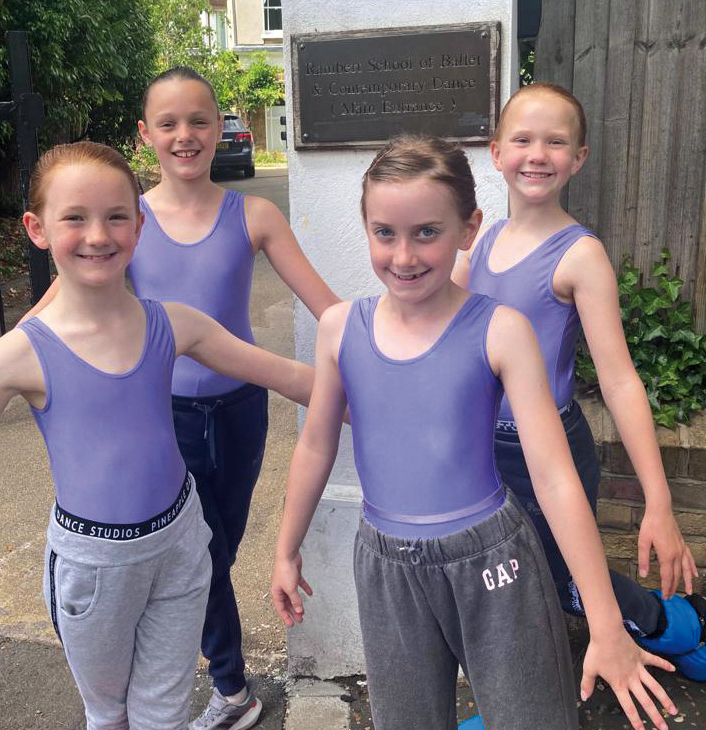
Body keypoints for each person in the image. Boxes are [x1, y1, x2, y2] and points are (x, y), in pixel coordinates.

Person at [0, 66, 340, 730]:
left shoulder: (215, 262)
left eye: (200, 120)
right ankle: (229, 686)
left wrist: (391, 373)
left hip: (214, 463)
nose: (99, 234)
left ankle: (223, 688)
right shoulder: (100, 258)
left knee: (196, 594)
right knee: (123, 687)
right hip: (131, 486)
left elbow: (304, 348)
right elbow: (28, 337)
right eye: (75, 219)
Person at [270, 135, 678, 730]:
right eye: (385, 232)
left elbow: (555, 476)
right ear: (366, 228)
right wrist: (285, 548)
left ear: (468, 228)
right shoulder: (340, 329)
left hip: (493, 559)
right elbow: (315, 444)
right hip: (386, 563)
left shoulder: (501, 330)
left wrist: (605, 621)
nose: (404, 254)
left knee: (531, 717)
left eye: (427, 232)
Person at [453, 82, 705, 687]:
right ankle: (518, 697)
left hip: (548, 448)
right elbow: (442, 329)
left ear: (579, 157)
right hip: (481, 447)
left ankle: (673, 627)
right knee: (501, 576)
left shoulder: (580, 254)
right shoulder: (482, 241)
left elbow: (619, 382)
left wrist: (659, 502)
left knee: (565, 580)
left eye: (556, 142)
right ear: (495, 152)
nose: (537, 154)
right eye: (523, 139)